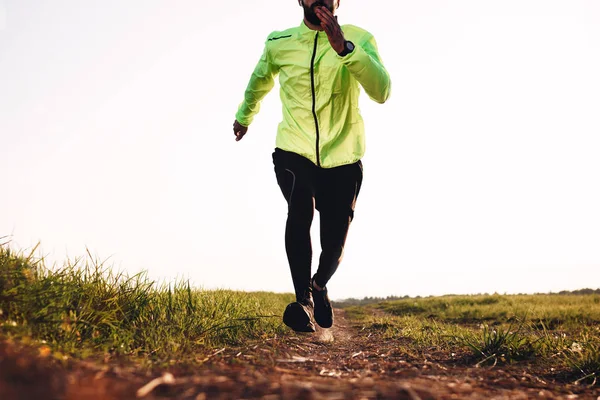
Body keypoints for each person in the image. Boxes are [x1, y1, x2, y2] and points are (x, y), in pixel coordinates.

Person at [232, 0, 391, 333]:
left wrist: (345, 49)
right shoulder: (279, 43)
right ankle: (302, 301)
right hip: (294, 149)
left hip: (344, 157)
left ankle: (319, 286)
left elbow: (382, 91)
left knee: (333, 245)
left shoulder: (359, 39)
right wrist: (244, 116)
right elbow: (259, 80)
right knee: (299, 207)